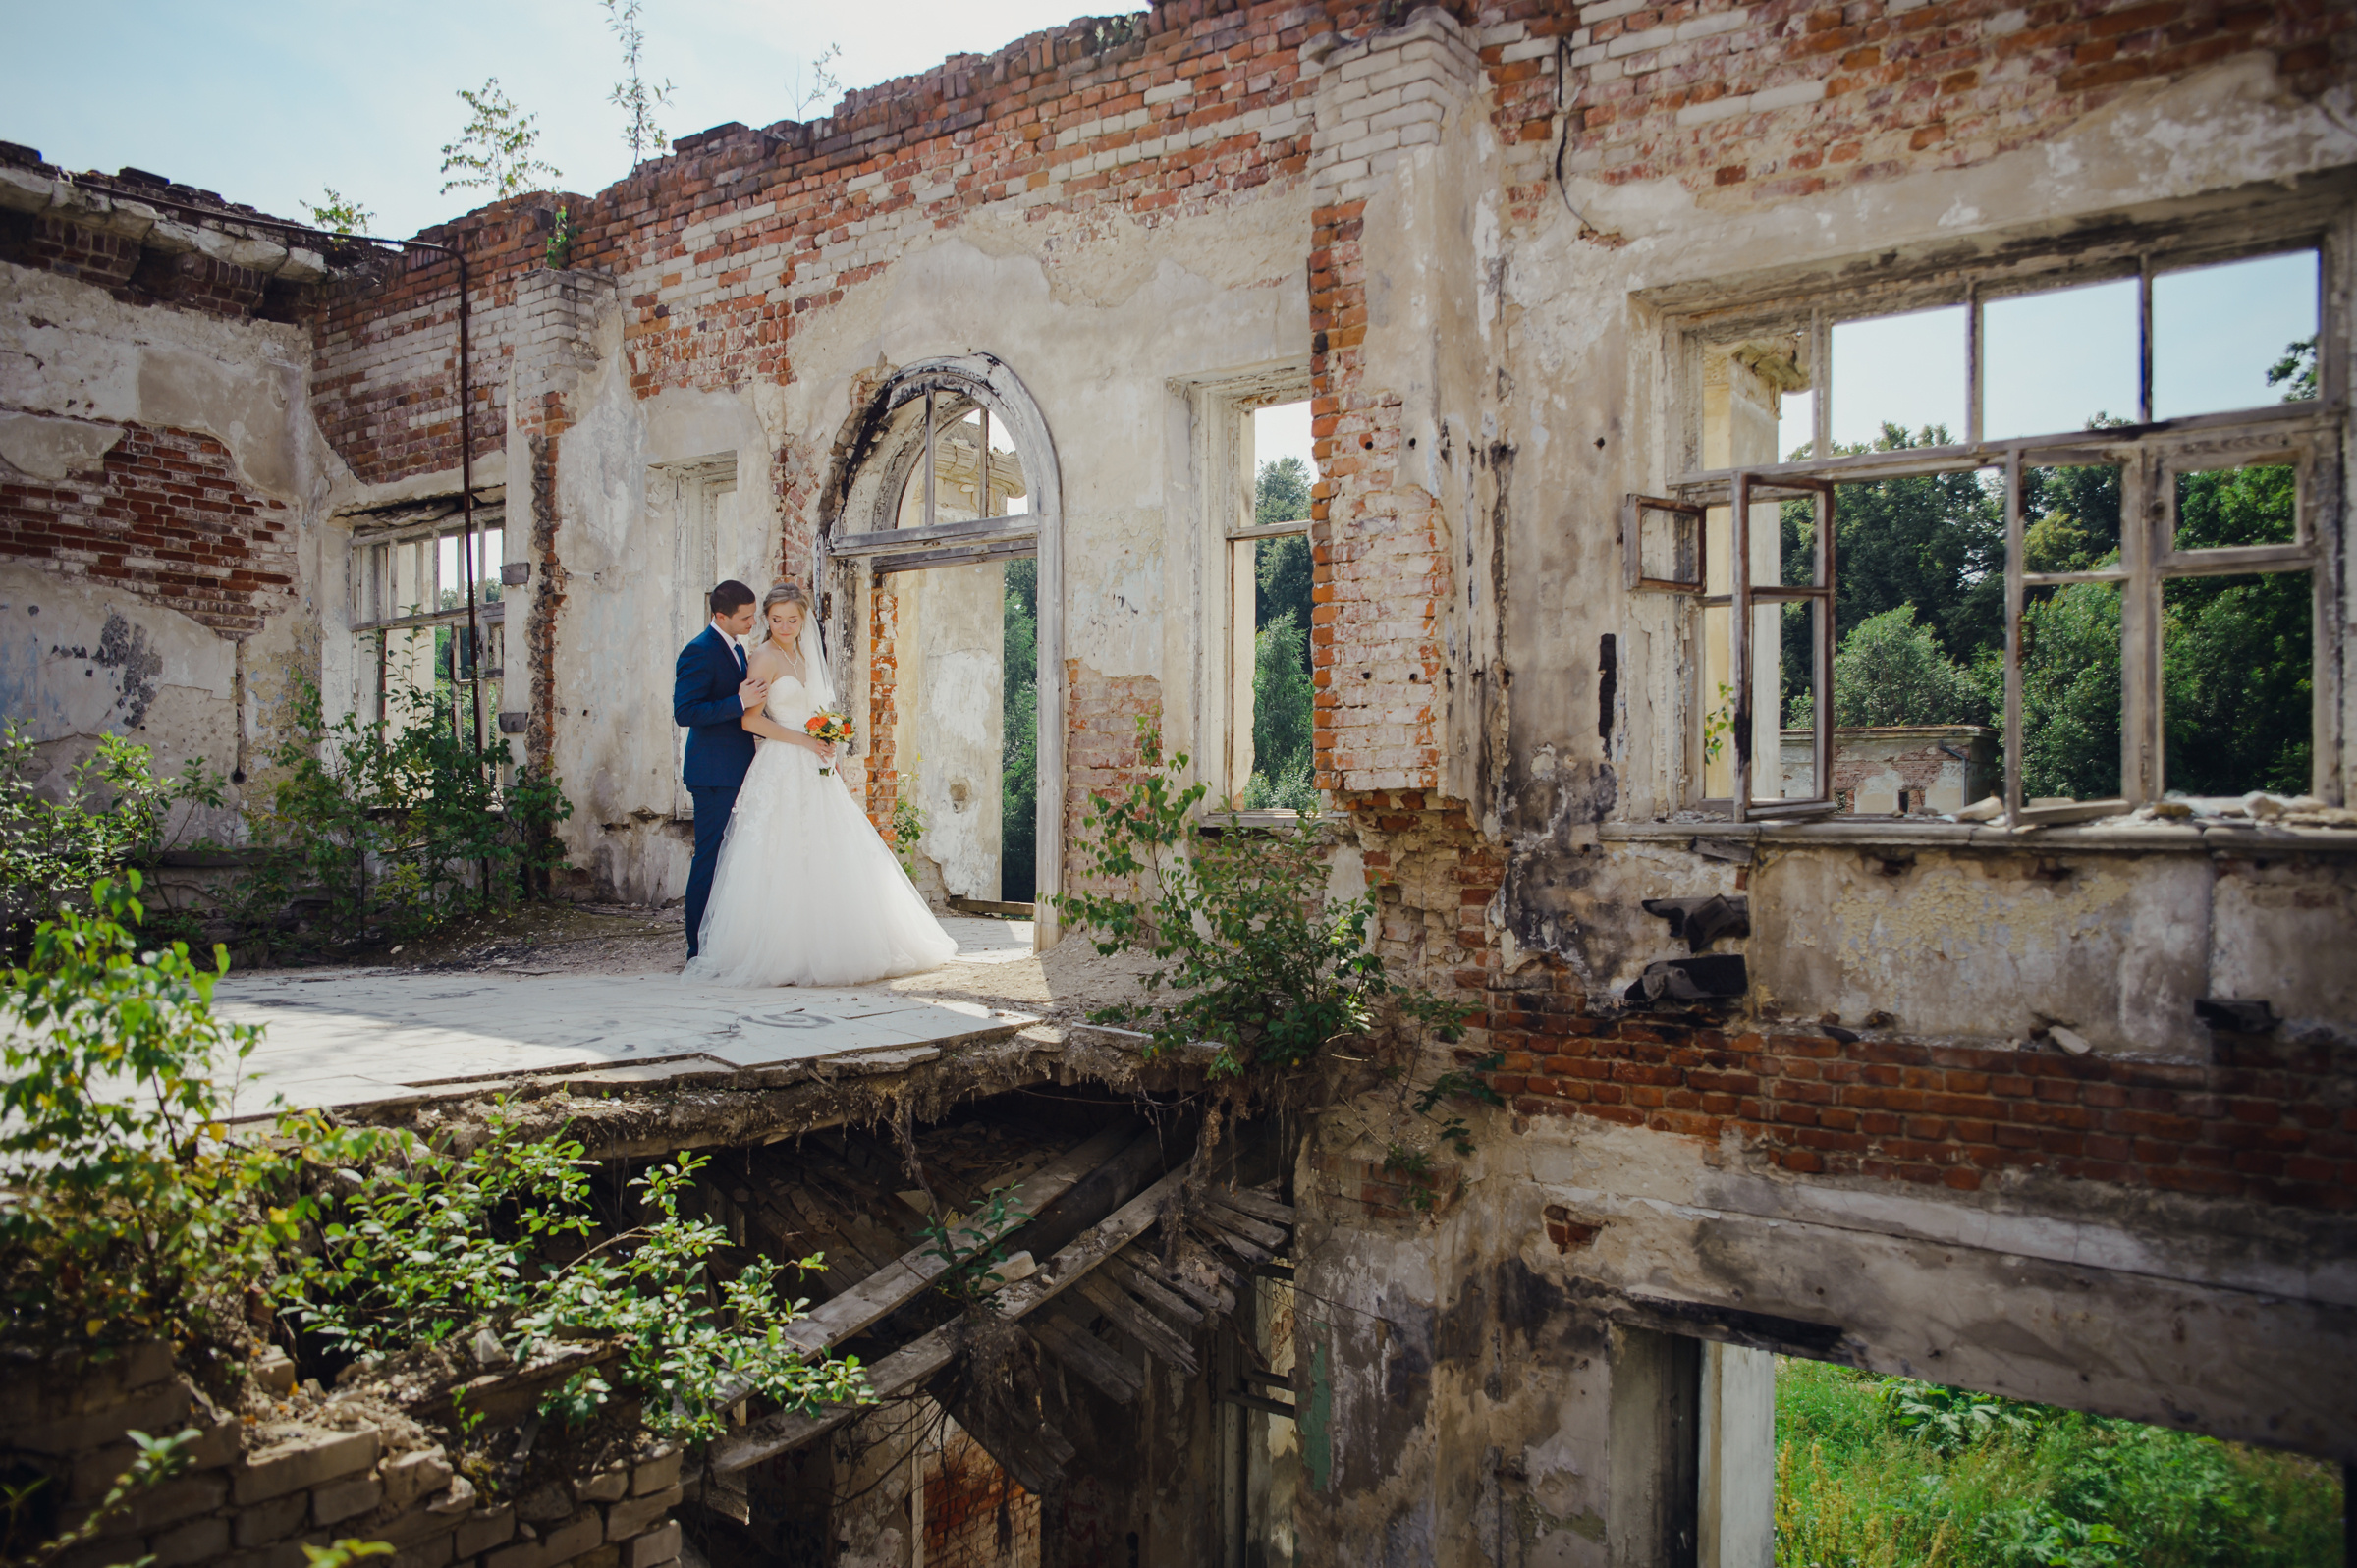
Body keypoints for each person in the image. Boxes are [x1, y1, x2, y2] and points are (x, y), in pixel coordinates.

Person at [683, 581, 959, 987]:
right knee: (775, 853)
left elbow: (817, 708)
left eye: (792, 619)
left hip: (816, 765)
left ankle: (829, 941)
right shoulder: (760, 657)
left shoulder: (808, 654)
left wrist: (828, 738)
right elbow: (751, 720)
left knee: (825, 850)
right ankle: (758, 949)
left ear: (804, 619)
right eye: (775, 619)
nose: (784, 626)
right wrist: (806, 741)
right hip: (780, 762)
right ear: (763, 620)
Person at [674, 580, 769, 962]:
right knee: (710, 857)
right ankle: (698, 948)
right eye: (745, 617)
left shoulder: (737, 647)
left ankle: (723, 938)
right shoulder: (698, 652)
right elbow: (686, 712)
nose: (751, 622)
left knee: (734, 857)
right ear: (720, 616)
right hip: (713, 773)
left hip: (738, 768)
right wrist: (738, 701)